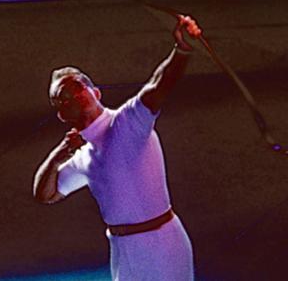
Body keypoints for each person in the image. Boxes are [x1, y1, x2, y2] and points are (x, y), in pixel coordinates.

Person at [33, 14, 202, 280]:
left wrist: (182, 49)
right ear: (62, 116)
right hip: (122, 249)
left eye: (76, 87)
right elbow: (45, 194)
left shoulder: (126, 123)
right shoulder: (83, 157)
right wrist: (57, 156)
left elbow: (158, 86)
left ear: (95, 92)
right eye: (61, 100)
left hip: (162, 244)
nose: (71, 98)